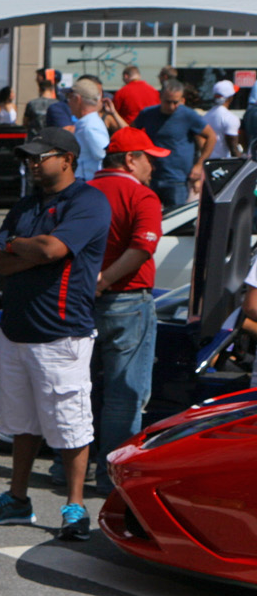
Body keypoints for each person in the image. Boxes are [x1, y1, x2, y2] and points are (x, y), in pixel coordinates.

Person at [0, 127, 111, 541]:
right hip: (16, 329)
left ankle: (75, 506)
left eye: (40, 156)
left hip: (62, 332)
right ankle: (17, 499)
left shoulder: (88, 201)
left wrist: (23, 248)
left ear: (67, 159)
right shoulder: (25, 205)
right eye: (29, 158)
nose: (32, 163)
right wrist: (30, 249)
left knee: (70, 424)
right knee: (22, 423)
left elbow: (54, 250)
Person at [87, 126, 168, 497]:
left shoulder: (85, 191)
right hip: (127, 301)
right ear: (131, 160)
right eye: (149, 158)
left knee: (80, 390)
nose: (154, 166)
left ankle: (66, 466)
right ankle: (111, 478)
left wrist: (93, 283)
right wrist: (105, 281)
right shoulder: (142, 195)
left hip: (81, 303)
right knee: (125, 396)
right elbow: (142, 248)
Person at [133, 78, 214, 208]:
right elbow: (131, 133)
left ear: (182, 100)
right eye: (168, 102)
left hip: (178, 180)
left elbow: (211, 136)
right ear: (160, 97)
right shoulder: (147, 114)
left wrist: (199, 165)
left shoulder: (188, 115)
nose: (171, 106)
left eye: (175, 102)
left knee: (177, 217)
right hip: (151, 178)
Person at [69, 78, 109, 182]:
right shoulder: (88, 124)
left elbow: (103, 155)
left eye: (70, 97)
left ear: (77, 99)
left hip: (89, 182)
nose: (68, 102)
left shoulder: (89, 126)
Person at [204, 80, 242, 159]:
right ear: (230, 98)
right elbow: (233, 149)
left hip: (207, 161)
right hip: (223, 162)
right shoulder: (230, 118)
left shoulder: (205, 116)